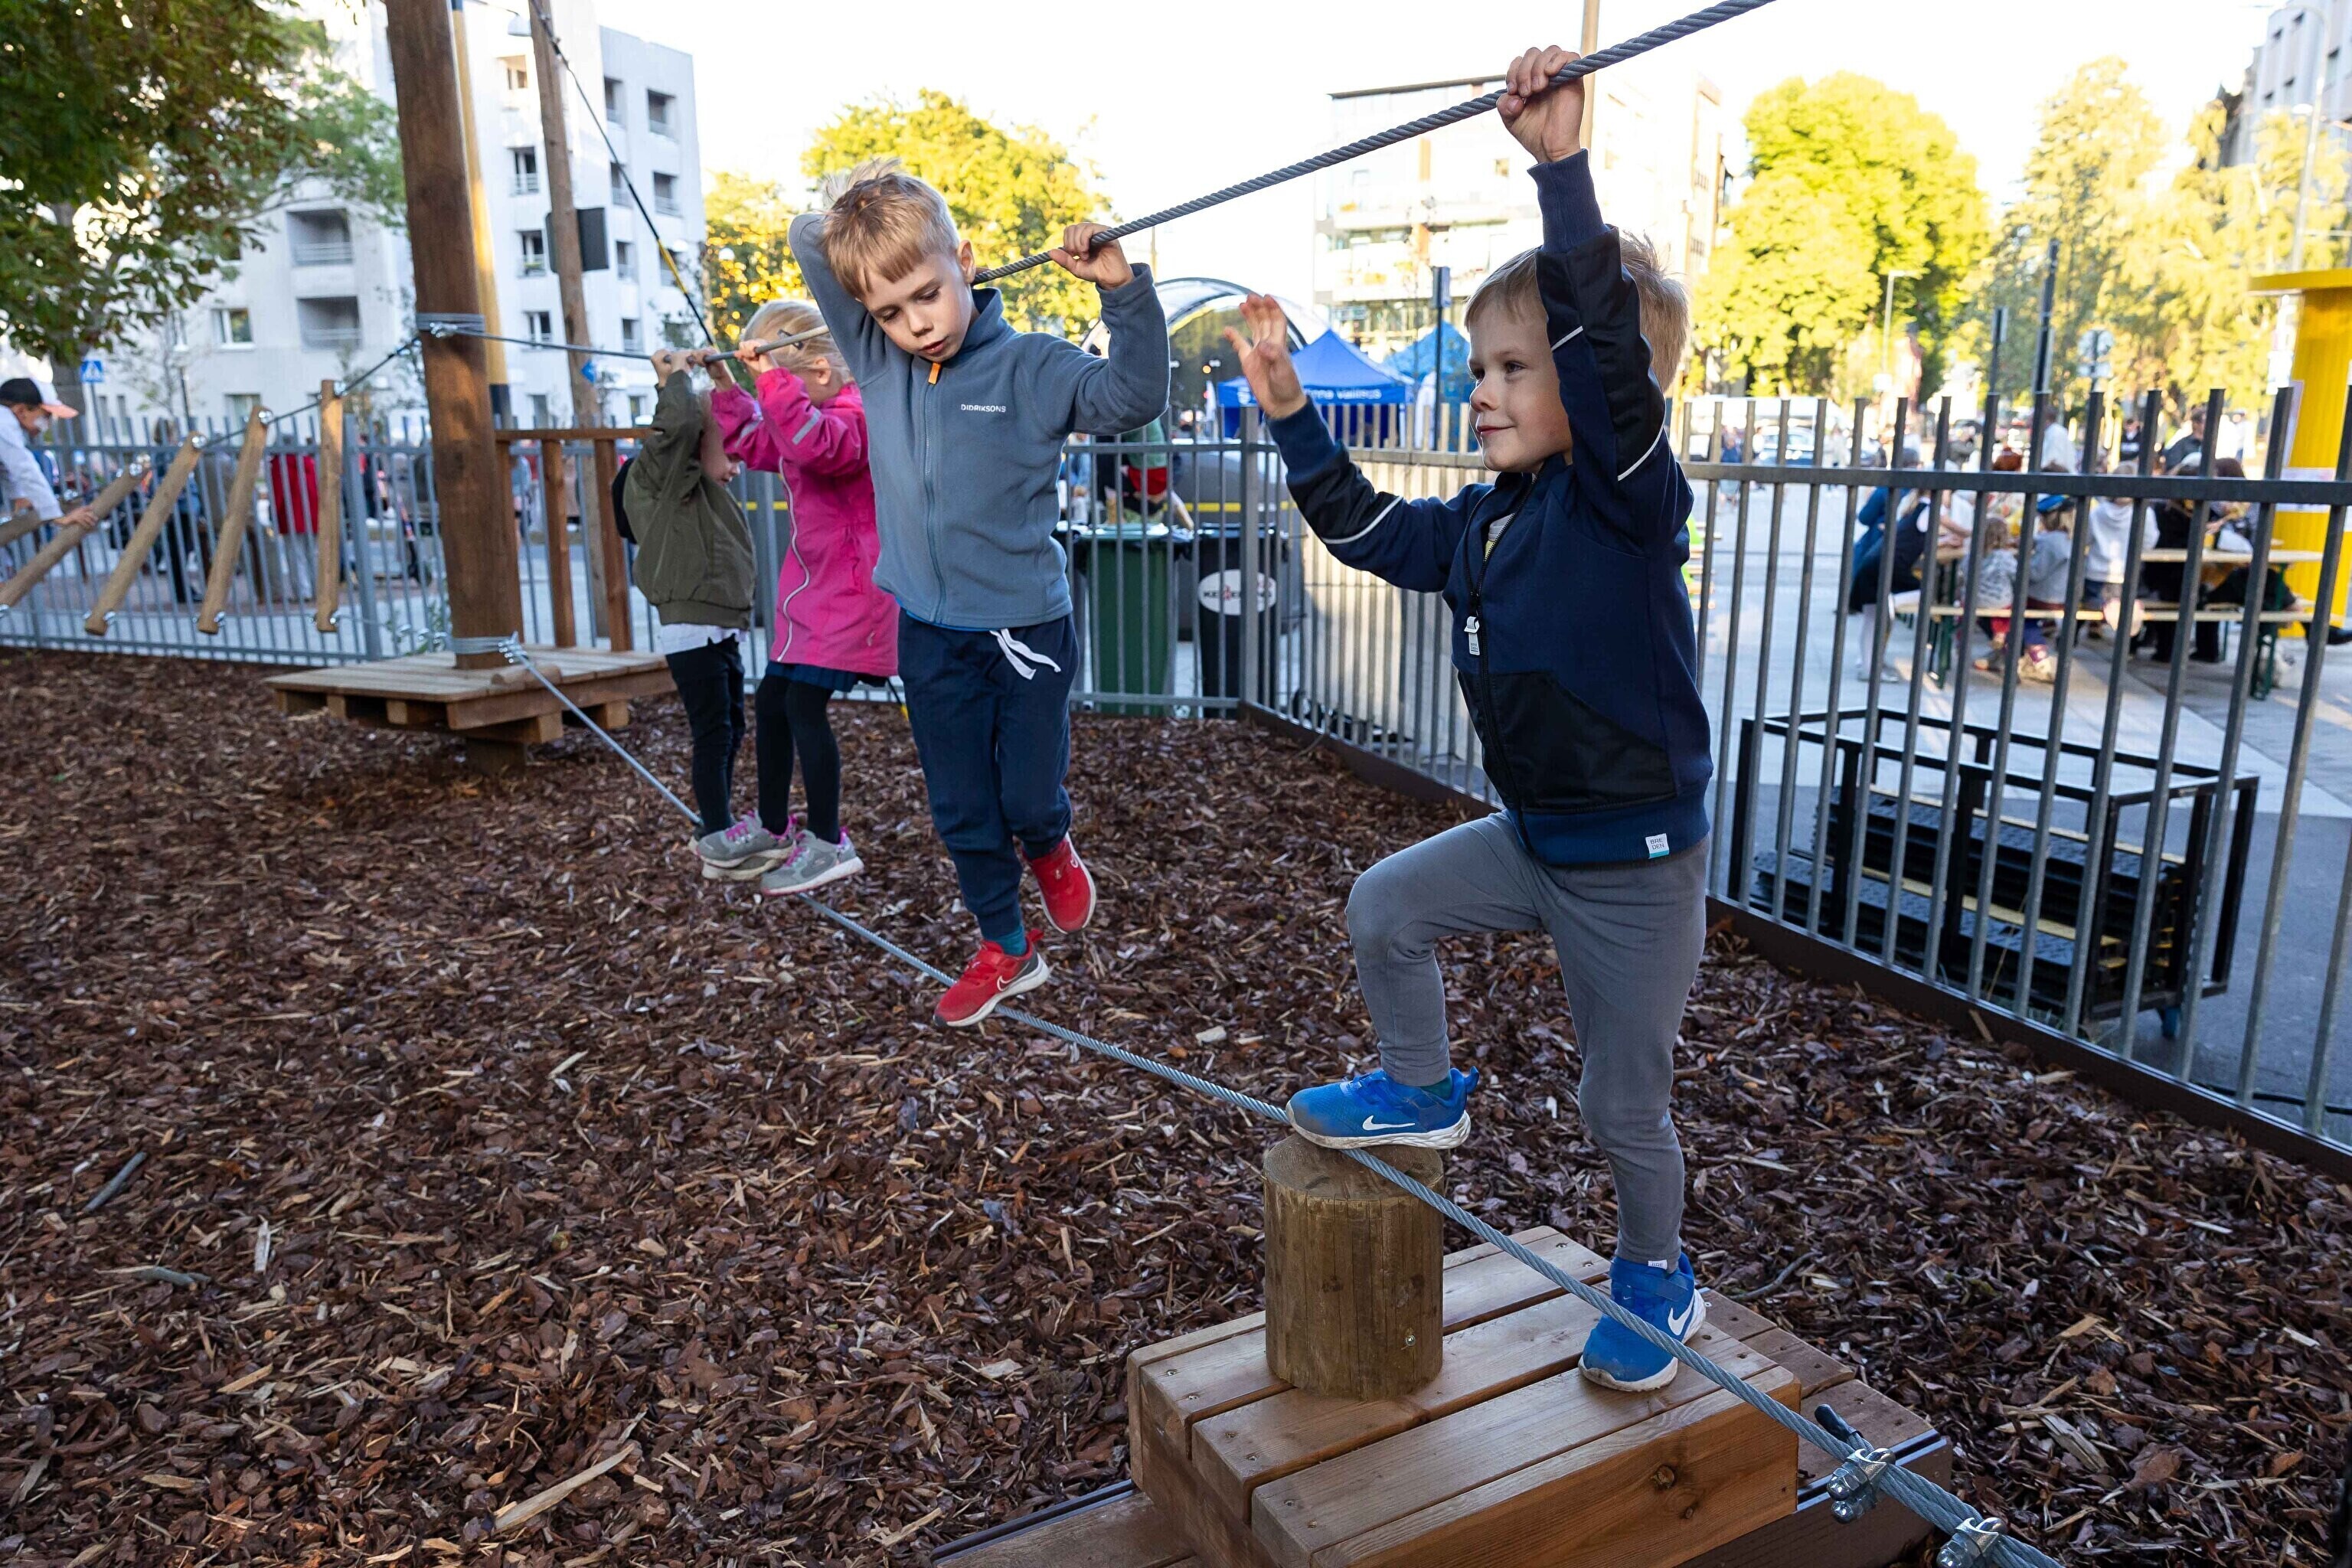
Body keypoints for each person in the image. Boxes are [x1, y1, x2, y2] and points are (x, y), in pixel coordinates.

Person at [1225, 45, 1711, 1394]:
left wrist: (1562, 173)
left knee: (1619, 1102)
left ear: (1593, 389)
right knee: (1384, 905)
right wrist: (1292, 415)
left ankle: (1656, 1274)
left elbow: (1602, 355)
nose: (1481, 390)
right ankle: (1420, 1089)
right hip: (1535, 838)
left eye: (1510, 367)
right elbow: (1366, 528)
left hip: (1634, 870)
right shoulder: (1490, 520)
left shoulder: (1625, 506)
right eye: (1476, 366)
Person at [789, 157, 1169, 1026]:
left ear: (965, 261)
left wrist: (1122, 291)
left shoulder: (1031, 367)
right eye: (890, 311)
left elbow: (1134, 395)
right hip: (930, 633)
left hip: (1025, 628)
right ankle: (1006, 945)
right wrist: (869, 198)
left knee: (1025, 797)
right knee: (961, 807)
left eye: (927, 294)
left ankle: (1050, 843)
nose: (914, 324)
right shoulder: (876, 361)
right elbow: (809, 240)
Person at [702, 299, 897, 895]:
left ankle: (829, 841)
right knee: (774, 701)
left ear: (819, 371)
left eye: (784, 385)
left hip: (855, 591)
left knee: (804, 706)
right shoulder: (804, 414)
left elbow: (821, 448)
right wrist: (726, 384)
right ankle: (773, 828)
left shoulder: (857, 416)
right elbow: (759, 441)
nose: (777, 398)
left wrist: (772, 383)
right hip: (815, 593)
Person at [616, 349, 766, 870]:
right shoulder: (667, 480)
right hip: (691, 626)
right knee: (714, 731)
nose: (739, 463)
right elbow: (677, 426)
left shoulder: (702, 488)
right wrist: (674, 378)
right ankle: (718, 833)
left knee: (732, 726)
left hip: (718, 626)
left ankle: (715, 821)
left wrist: (721, 380)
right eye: (731, 449)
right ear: (700, 441)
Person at [0, 378, 94, 564]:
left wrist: (19, 496)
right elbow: (24, 468)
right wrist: (57, 516)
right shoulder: (4, 423)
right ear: (21, 411)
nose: (48, 424)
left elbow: (6, 468)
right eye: (46, 416)